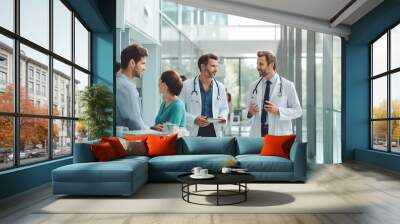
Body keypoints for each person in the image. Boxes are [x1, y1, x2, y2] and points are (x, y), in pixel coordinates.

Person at [246, 51, 302, 137]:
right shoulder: (253, 86)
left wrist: (278, 110)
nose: (257, 67)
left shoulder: (288, 85)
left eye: (261, 64)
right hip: (258, 133)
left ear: (271, 65)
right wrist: (250, 112)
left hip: (279, 133)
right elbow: (248, 110)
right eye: (257, 64)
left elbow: (298, 111)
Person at [180, 53, 228, 137]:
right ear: (203, 67)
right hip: (194, 130)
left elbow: (224, 108)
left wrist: (223, 116)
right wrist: (193, 119)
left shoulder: (221, 87)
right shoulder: (186, 85)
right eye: (213, 66)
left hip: (214, 131)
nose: (216, 69)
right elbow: (180, 110)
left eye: (217, 66)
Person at [116, 44, 148, 130]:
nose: (144, 68)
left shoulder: (117, 82)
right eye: (142, 64)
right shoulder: (127, 87)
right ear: (132, 63)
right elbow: (136, 124)